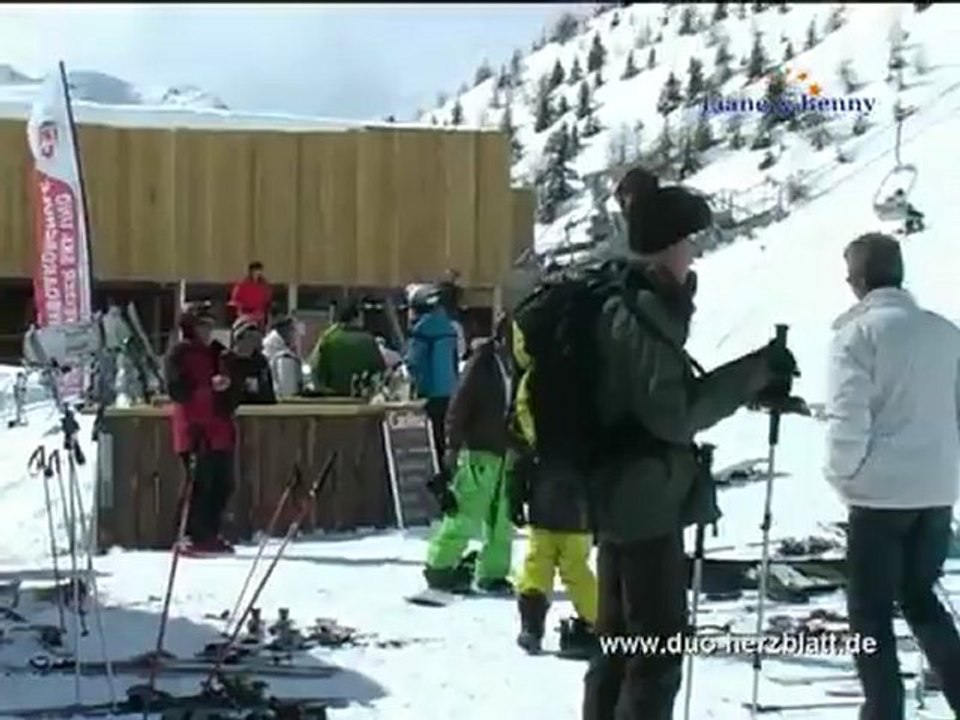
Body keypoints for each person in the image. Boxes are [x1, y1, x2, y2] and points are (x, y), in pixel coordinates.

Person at [582, 169, 798, 720]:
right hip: (643, 503)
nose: (694, 257)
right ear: (664, 248)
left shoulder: (625, 301)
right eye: (688, 244)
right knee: (652, 652)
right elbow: (675, 414)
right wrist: (754, 372)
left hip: (621, 496)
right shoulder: (640, 312)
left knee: (620, 646)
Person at [824, 232, 960, 720]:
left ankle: (883, 711)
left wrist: (844, 477)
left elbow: (848, 419)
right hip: (936, 491)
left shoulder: (856, 337)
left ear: (858, 281)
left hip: (879, 497)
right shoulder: (945, 332)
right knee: (922, 600)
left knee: (869, 614)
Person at [511, 315, 598, 658]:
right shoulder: (593, 375)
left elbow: (521, 426)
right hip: (581, 483)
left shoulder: (534, 378)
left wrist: (519, 481)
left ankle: (532, 626)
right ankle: (598, 623)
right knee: (576, 564)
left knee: (538, 557)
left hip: (544, 479)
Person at [422, 315, 514, 594]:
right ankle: (440, 566)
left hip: (507, 450)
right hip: (478, 450)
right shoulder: (482, 362)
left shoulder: (520, 365)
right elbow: (459, 405)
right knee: (465, 512)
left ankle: (493, 572)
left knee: (502, 520)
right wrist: (452, 445)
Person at [163, 302, 240, 555]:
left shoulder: (218, 353)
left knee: (223, 483)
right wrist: (208, 385)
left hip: (220, 429)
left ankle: (209, 533)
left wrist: (230, 385)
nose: (208, 331)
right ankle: (188, 535)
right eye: (202, 326)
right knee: (197, 483)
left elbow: (232, 393)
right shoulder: (178, 354)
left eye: (210, 326)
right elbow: (178, 390)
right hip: (194, 428)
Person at [405, 285, 461, 470]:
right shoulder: (449, 329)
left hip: (429, 393)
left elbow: (413, 363)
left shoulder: (421, 331)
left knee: (430, 442)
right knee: (444, 439)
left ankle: (435, 479)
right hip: (450, 393)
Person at [308, 300, 385, 397]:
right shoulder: (369, 340)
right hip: (361, 399)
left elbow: (320, 372)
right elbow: (380, 370)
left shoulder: (330, 339)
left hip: (333, 398)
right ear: (357, 318)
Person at [228, 316, 276, 405]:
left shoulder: (261, 362)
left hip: (261, 413)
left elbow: (269, 393)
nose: (253, 337)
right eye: (249, 334)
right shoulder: (226, 360)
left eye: (255, 333)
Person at [262, 315, 304, 399]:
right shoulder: (283, 356)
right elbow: (287, 388)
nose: (295, 333)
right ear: (285, 330)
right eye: (293, 329)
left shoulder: (277, 344)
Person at [228, 261, 273, 327]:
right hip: (244, 313)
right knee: (236, 327)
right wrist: (238, 308)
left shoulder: (264, 285)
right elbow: (235, 298)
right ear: (251, 271)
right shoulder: (242, 284)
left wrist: (266, 308)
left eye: (259, 270)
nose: (257, 273)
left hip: (258, 314)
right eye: (255, 270)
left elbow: (268, 298)